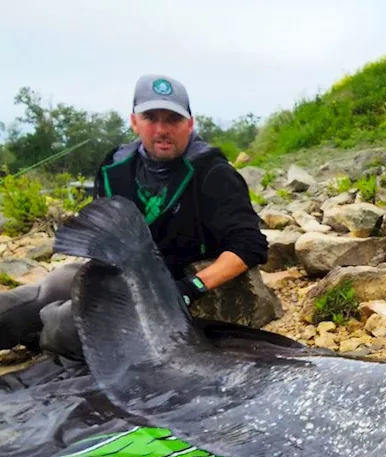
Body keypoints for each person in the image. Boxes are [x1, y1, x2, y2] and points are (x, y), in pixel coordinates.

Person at [0, 74, 267, 359]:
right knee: (39, 293)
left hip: (175, 282)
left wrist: (192, 287)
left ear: (190, 124)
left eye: (173, 119)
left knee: (66, 328)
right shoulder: (114, 166)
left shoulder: (214, 173)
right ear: (134, 121)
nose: (162, 129)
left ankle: (43, 332)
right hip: (120, 274)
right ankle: (35, 322)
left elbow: (249, 244)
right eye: (151, 118)